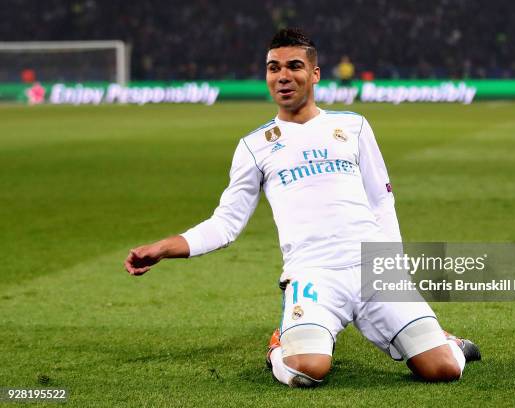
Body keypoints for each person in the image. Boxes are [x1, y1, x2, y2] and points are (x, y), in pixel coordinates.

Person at [124, 28, 481, 388]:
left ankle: (448, 343)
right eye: (272, 67)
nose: (282, 76)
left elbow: (381, 199)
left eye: (294, 66)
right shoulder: (254, 147)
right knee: (305, 370)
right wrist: (165, 247)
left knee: (443, 370)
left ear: (314, 73)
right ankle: (278, 347)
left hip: (372, 269)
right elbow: (226, 224)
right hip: (313, 275)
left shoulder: (353, 126)